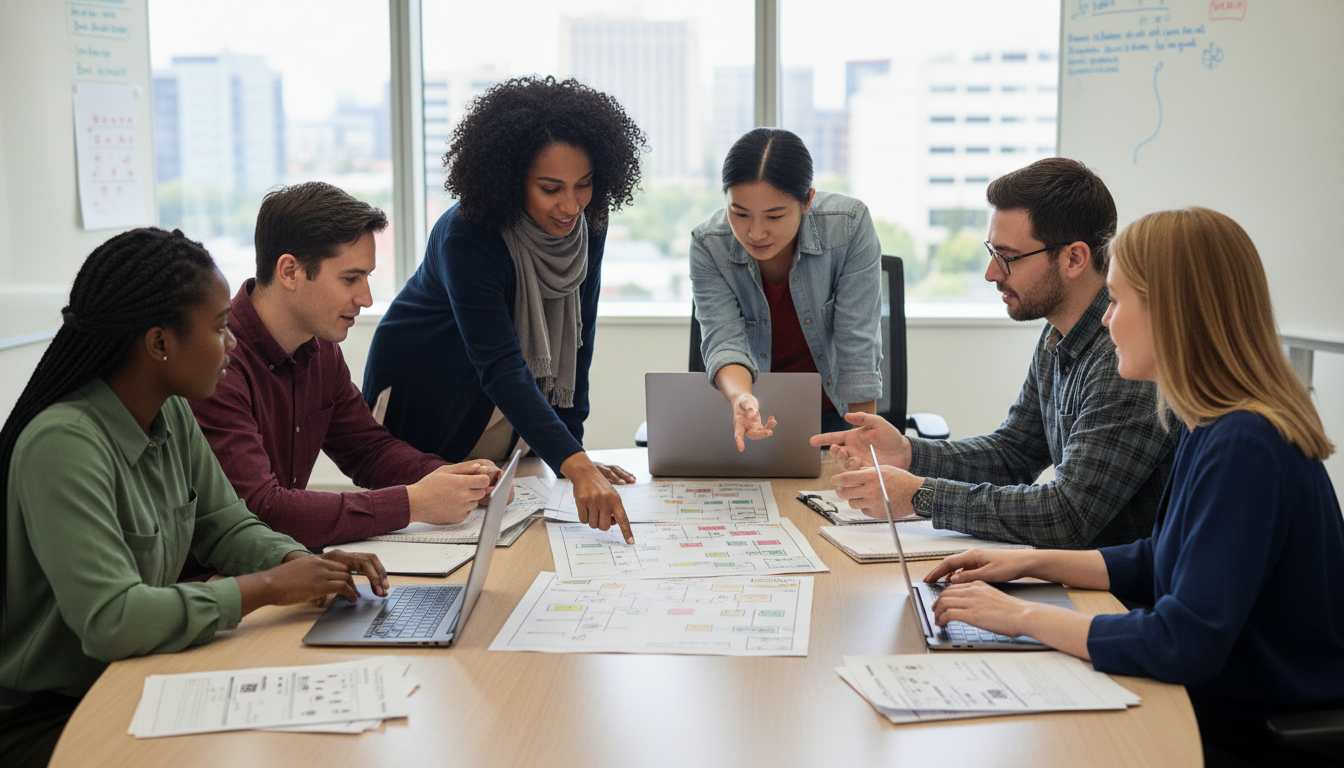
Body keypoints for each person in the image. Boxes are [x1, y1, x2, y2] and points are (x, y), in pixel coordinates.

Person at [923, 207, 1344, 768]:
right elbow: (1161, 559)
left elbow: (1182, 642)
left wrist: (1019, 618)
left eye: (1118, 301)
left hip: (1246, 732)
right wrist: (1028, 563)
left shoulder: (1245, 442)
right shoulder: (1211, 422)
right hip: (1217, 705)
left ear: (1174, 314)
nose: (1104, 320)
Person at [0, 229, 387, 767]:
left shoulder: (171, 410)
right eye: (220, 328)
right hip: (52, 716)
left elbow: (227, 526)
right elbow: (113, 620)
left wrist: (300, 563)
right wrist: (271, 586)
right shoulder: (63, 443)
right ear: (160, 343)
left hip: (140, 676)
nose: (232, 345)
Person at [814, 158, 1176, 549]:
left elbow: (1067, 515)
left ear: (1073, 258)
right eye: (992, 251)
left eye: (1008, 256)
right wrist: (906, 452)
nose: (991, 272)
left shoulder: (1123, 358)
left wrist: (921, 495)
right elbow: (1013, 453)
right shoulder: (1058, 334)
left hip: (1117, 596)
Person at [362, 76, 646, 544]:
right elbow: (500, 365)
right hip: (429, 388)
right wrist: (573, 465)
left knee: (505, 535)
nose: (570, 205)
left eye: (585, 184)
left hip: (498, 396)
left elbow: (579, 338)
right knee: (430, 540)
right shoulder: (467, 235)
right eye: (551, 188)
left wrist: (572, 455)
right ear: (511, 180)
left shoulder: (588, 222)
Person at [190, 182, 500, 552]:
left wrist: (449, 477)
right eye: (351, 278)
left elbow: (366, 450)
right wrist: (413, 502)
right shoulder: (217, 365)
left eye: (367, 277)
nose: (365, 298)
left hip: (283, 564)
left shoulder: (319, 346)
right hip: (216, 582)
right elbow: (261, 510)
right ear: (289, 271)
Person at [690, 127, 882, 449]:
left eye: (774, 216)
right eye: (739, 213)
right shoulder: (709, 245)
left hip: (837, 414)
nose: (755, 233)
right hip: (753, 416)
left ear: (807, 200)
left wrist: (865, 447)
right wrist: (741, 399)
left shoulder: (848, 227)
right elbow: (723, 340)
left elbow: (857, 350)